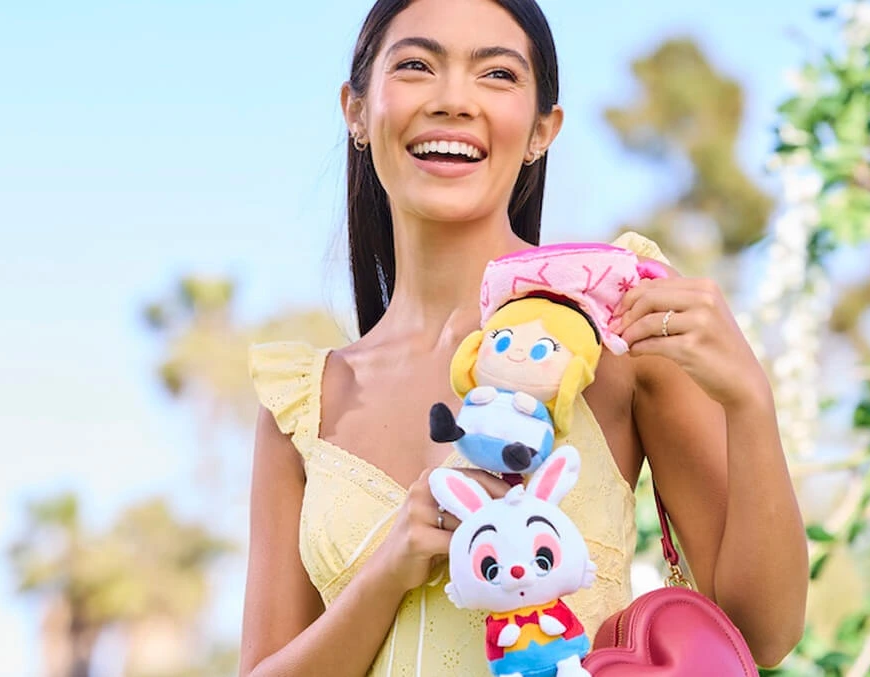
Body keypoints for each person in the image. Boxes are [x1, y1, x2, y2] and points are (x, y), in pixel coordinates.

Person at [240, 1, 808, 675]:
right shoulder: (303, 407)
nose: (454, 100)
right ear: (356, 111)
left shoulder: (613, 321)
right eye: (417, 65)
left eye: (497, 74)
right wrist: (388, 570)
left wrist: (749, 401)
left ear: (543, 130)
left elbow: (762, 632)